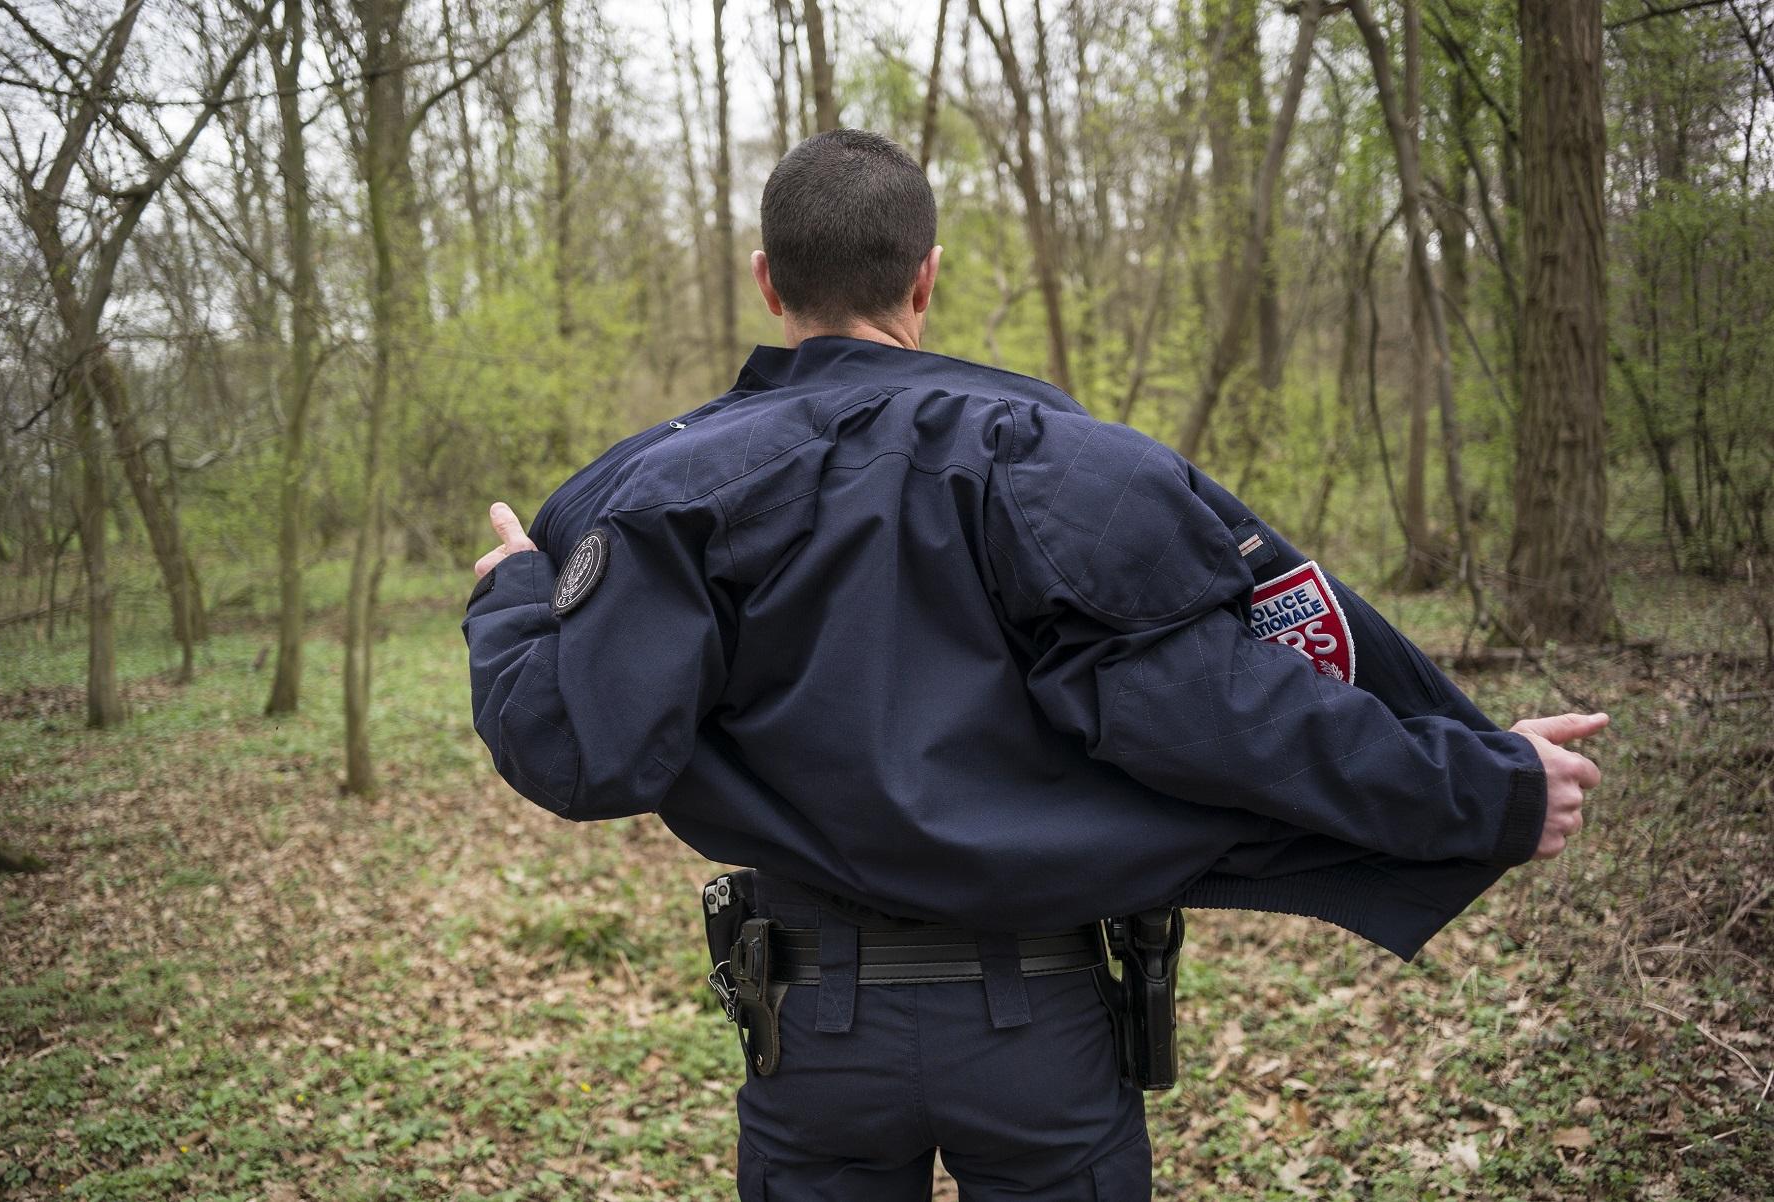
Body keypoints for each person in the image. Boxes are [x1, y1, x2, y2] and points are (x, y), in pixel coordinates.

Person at [463, 128, 1605, 1201]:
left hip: (816, 1032)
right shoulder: (1054, 465)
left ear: (767, 280)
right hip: (1042, 1027)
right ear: (927, 278)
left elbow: (578, 748)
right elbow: (1231, 709)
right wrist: (1483, 781)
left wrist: (512, 594)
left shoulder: (675, 494)